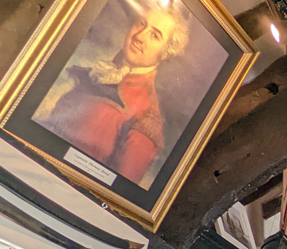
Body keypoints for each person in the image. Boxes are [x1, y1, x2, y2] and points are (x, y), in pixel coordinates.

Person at [36, 3, 190, 183]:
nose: (139, 36)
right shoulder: (100, 72)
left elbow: (116, 187)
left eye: (154, 35)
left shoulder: (147, 118)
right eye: (141, 24)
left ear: (165, 53)